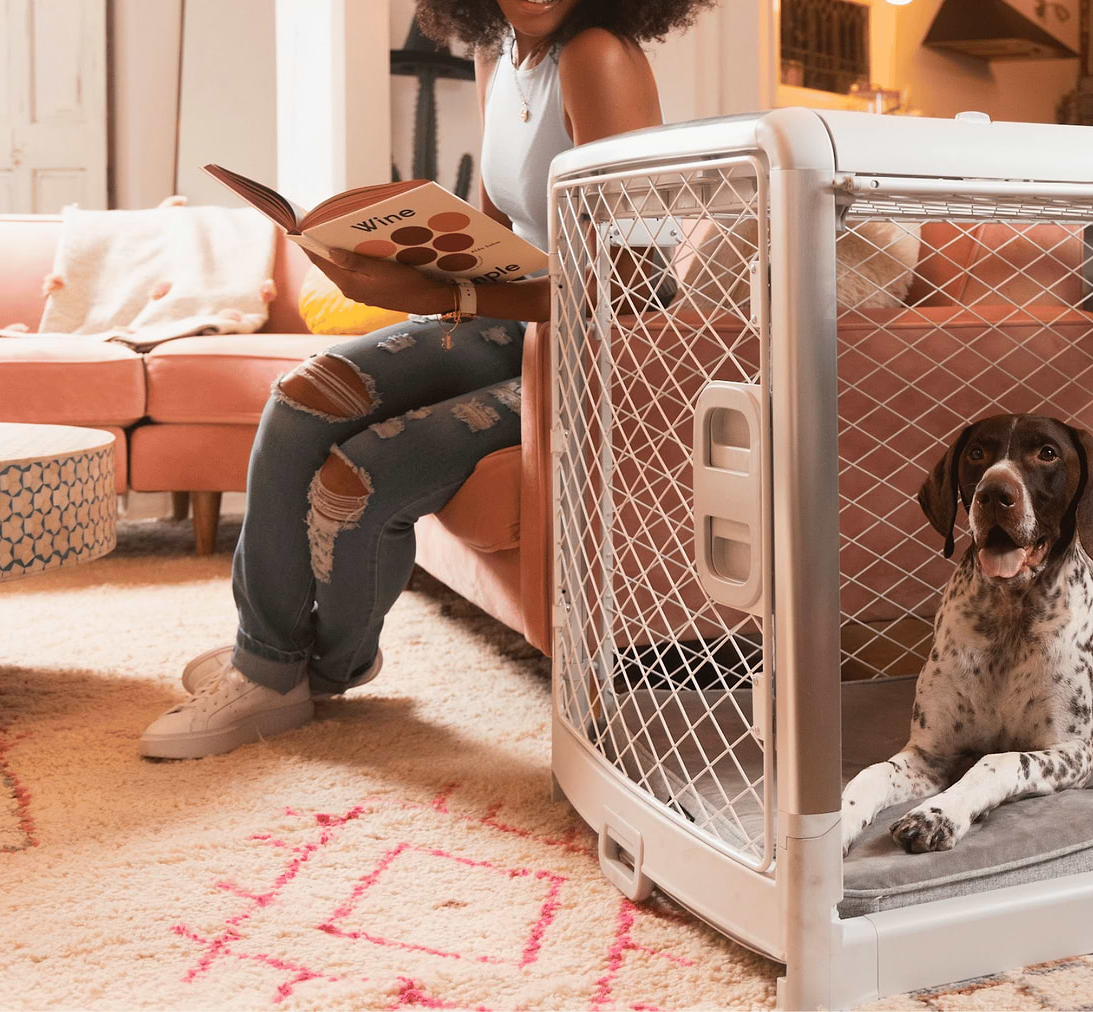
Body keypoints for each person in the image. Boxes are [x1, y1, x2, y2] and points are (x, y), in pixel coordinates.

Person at [140, 0, 706, 758]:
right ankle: (268, 661)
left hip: (597, 348)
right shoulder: (497, 50)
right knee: (301, 401)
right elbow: (496, 229)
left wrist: (445, 297)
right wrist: (398, 261)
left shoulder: (598, 55)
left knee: (364, 473)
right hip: (513, 317)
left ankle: (315, 669)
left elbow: (631, 284)